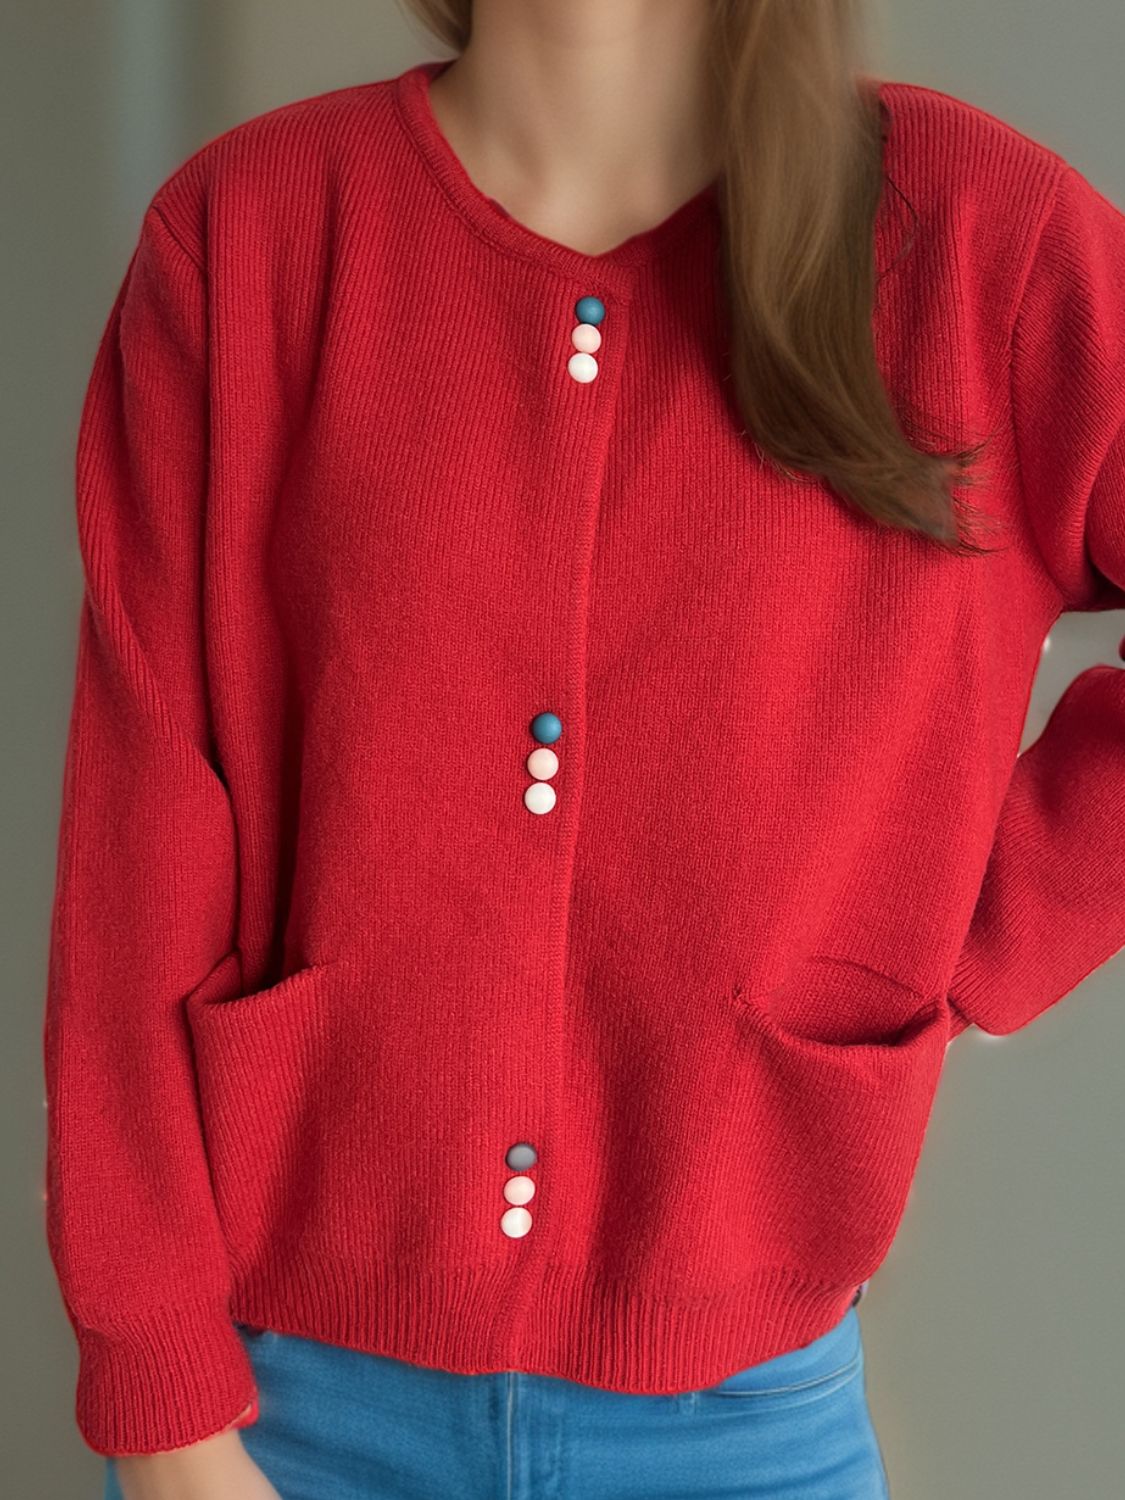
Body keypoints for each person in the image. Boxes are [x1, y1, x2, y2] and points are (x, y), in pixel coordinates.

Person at [43, 2, 1125, 1497]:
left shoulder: (978, 241)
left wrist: (981, 937)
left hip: (743, 1430)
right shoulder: (251, 236)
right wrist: (162, 1407)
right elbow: (137, 849)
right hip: (279, 1415)